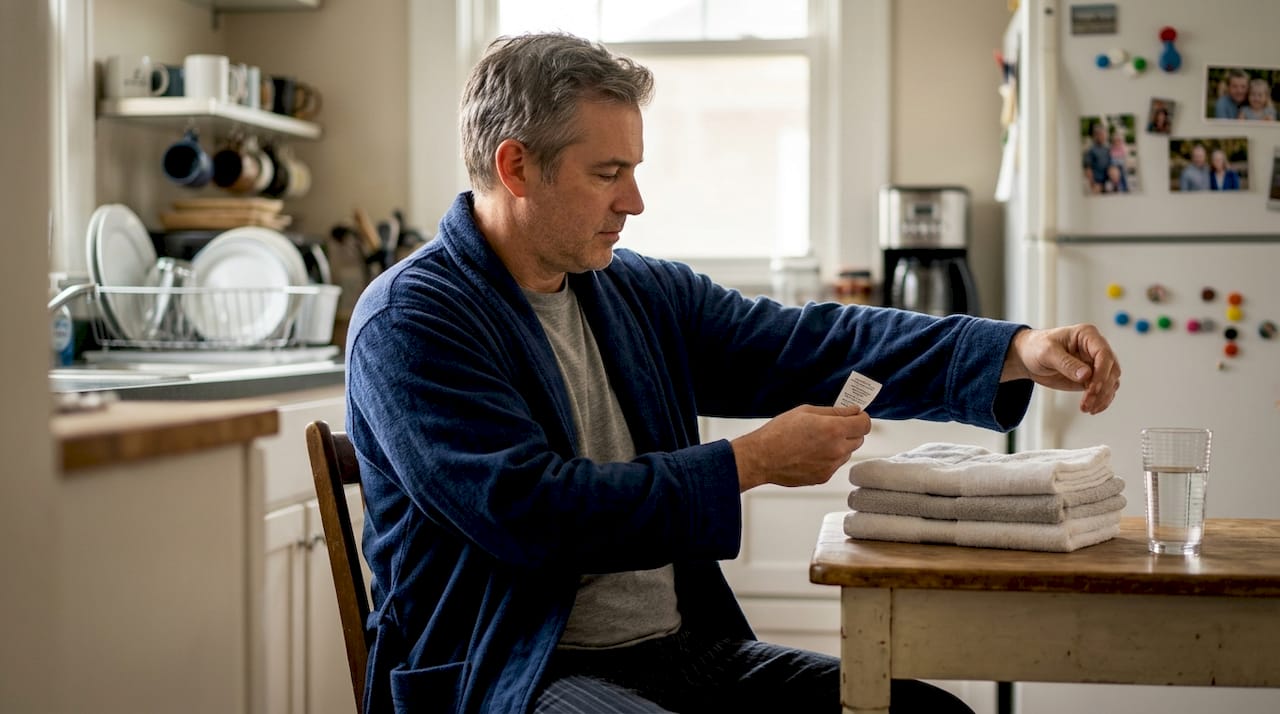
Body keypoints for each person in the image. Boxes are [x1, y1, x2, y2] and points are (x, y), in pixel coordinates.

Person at [345, 32, 1123, 714]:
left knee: (924, 712)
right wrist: (747, 464)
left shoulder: (633, 290)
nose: (635, 200)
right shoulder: (411, 323)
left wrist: (1010, 348)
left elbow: (804, 342)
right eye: (608, 172)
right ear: (516, 167)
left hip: (677, 652)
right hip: (509, 674)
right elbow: (533, 514)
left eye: (634, 169)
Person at [1082, 120, 1111, 193]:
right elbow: (1088, 170)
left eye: (1104, 134)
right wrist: (1093, 184)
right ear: (1095, 136)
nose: (1102, 136)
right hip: (1097, 182)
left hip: (1108, 181)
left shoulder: (1108, 148)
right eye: (1099, 134)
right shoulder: (1091, 150)